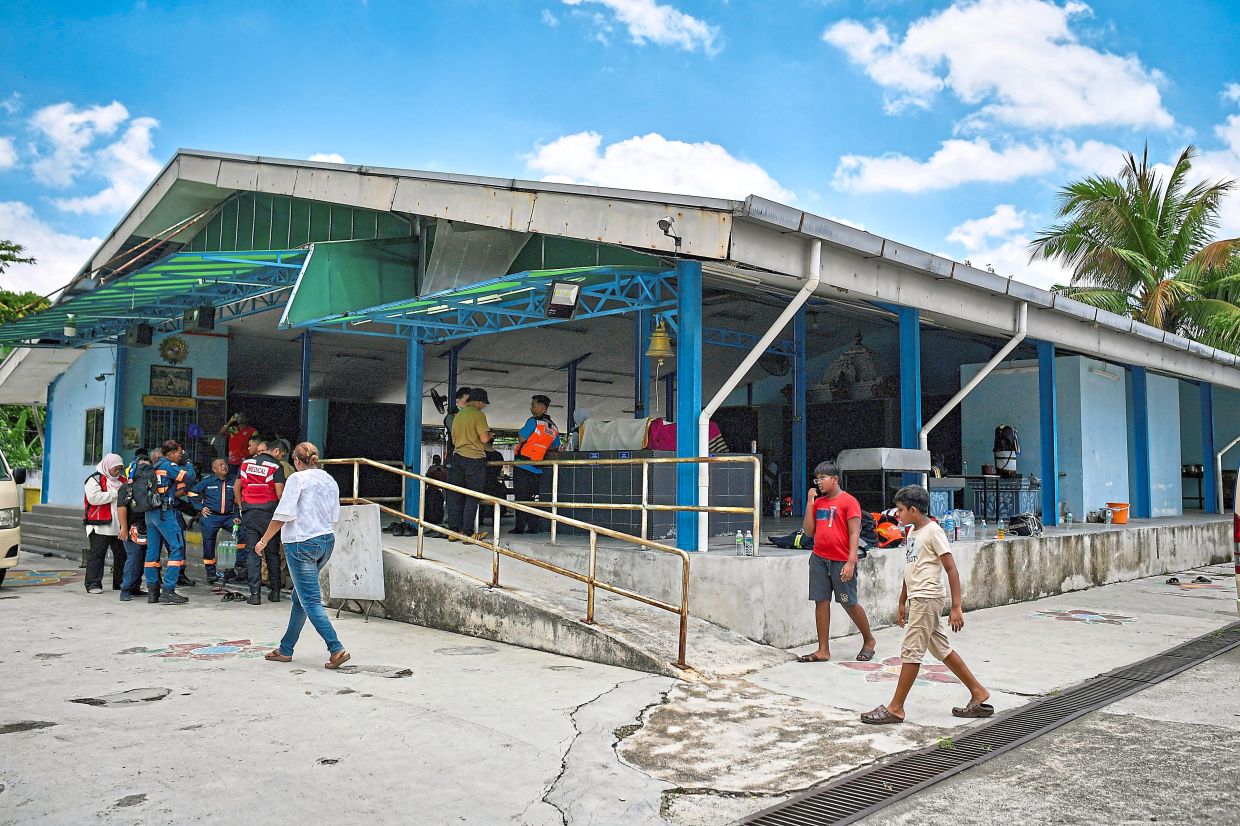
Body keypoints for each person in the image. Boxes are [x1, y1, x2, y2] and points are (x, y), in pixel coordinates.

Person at [861, 485, 992, 724]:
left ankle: (896, 708)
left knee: (911, 652)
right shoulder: (912, 532)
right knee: (941, 650)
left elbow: (951, 568)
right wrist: (902, 600)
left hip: (927, 598)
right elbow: (910, 568)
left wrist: (956, 606)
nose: (897, 515)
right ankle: (978, 691)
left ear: (913, 509)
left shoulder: (933, 532)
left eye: (900, 510)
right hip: (916, 597)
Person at [257, 442, 350, 670]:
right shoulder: (328, 479)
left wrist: (264, 540)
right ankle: (286, 649)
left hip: (301, 543)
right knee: (300, 598)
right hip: (325, 540)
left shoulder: (296, 479)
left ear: (297, 461)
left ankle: (336, 648)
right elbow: (333, 513)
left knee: (309, 600)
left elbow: (284, 513)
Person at [796, 460, 878, 663]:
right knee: (820, 602)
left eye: (823, 478)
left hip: (841, 560)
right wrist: (809, 503)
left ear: (835, 479)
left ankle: (869, 640)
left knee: (848, 602)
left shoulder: (849, 502)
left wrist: (851, 562)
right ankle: (823, 649)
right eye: (817, 478)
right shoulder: (819, 503)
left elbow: (854, 533)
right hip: (819, 558)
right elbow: (808, 530)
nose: (819, 482)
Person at [234, 437, 286, 605]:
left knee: (252, 552)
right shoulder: (276, 467)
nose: (281, 458)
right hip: (269, 515)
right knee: (271, 552)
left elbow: (237, 487)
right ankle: (275, 592)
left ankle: (255, 595)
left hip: (249, 513)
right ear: (276, 451)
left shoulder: (245, 464)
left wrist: (242, 506)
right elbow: (279, 494)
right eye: (282, 455)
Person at [145, 440, 197, 604]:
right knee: (177, 548)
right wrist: (188, 463)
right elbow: (190, 478)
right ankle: (168, 589)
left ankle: (153, 592)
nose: (181, 456)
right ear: (171, 453)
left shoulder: (155, 465)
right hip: (164, 513)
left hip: (150, 513)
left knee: (152, 554)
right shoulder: (168, 465)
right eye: (179, 453)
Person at [446, 387, 492, 542]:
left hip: (457, 458)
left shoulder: (458, 416)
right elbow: (484, 439)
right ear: (479, 402)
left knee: (455, 495)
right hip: (474, 459)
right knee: (472, 496)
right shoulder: (478, 415)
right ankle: (468, 533)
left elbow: (453, 440)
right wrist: (489, 434)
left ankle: (453, 531)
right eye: (484, 403)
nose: (484, 406)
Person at [511, 394, 560, 535]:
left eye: (533, 405)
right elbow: (554, 447)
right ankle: (533, 527)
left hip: (523, 465)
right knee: (534, 498)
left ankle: (519, 527)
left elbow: (521, 438)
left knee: (521, 498)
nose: (531, 408)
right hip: (538, 468)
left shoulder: (533, 422)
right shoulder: (554, 427)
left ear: (541, 407)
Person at [83, 453, 128, 594]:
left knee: (122, 555)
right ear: (108, 466)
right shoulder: (94, 479)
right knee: (97, 555)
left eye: (120, 469)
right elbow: (94, 498)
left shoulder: (123, 480)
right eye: (116, 469)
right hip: (100, 525)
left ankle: (120, 582)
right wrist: (116, 494)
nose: (118, 472)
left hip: (119, 525)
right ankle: (93, 584)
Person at [189, 458, 236, 586]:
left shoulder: (234, 480)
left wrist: (237, 514)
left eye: (225, 464)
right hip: (211, 518)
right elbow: (192, 493)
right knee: (208, 545)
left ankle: (235, 569)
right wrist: (200, 508)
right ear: (214, 469)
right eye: (220, 465)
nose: (224, 466)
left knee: (242, 535)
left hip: (230, 517)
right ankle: (211, 573)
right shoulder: (208, 481)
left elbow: (240, 498)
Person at [116, 453, 152, 601]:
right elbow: (121, 507)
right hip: (132, 528)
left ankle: (135, 587)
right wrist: (123, 528)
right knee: (134, 558)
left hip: (149, 527)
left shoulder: (151, 486)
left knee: (145, 559)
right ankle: (125, 589)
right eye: (141, 467)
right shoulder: (127, 488)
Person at [222, 413, 258, 483]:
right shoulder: (233, 429)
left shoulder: (252, 431)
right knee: (232, 481)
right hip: (233, 461)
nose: (240, 418)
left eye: (243, 417)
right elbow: (221, 433)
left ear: (247, 419)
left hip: (246, 460)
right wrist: (230, 421)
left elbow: (256, 444)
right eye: (239, 417)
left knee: (244, 480)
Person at [443, 387, 472, 459]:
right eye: (466, 402)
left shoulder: (471, 416)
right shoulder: (451, 417)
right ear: (457, 401)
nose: (469, 405)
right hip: (455, 456)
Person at [424, 455, 448, 526]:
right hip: (440, 491)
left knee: (430, 505)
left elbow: (427, 479)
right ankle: (438, 519)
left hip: (431, 491)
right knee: (439, 506)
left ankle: (430, 518)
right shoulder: (443, 469)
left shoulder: (431, 468)